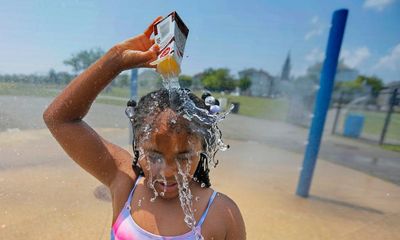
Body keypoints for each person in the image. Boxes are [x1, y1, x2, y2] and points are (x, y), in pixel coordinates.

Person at [43, 17, 246, 240]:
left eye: (184, 156)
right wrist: (117, 58)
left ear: (203, 148)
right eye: (154, 155)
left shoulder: (222, 215)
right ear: (138, 143)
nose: (168, 172)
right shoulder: (125, 183)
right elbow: (59, 119)